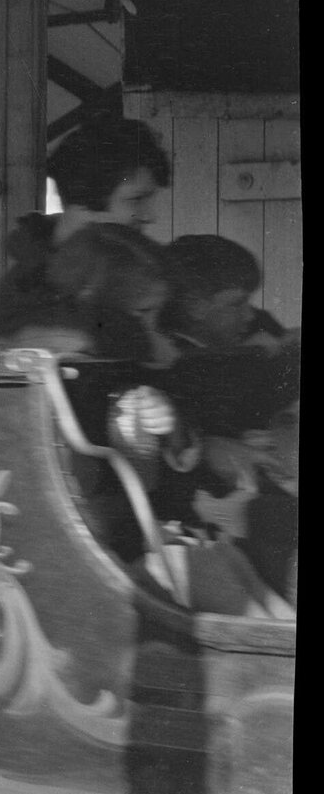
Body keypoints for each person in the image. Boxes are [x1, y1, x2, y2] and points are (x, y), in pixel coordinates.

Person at [0, 224, 288, 618]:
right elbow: (127, 462)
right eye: (144, 314)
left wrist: (163, 426)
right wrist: (141, 428)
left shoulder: (101, 367)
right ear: (95, 304)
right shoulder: (76, 374)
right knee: (223, 577)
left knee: (236, 570)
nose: (153, 330)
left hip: (144, 535)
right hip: (114, 550)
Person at [156, 235, 299, 603]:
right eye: (237, 303)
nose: (250, 315)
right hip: (217, 512)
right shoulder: (181, 369)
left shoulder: (247, 341)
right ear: (195, 306)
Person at [0, 113, 172, 339]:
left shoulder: (139, 264)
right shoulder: (22, 302)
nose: (151, 216)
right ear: (84, 203)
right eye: (136, 199)